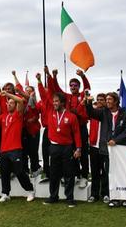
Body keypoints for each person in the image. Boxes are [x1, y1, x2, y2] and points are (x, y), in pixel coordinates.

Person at [40, 71, 82, 207]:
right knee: (54, 173)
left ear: (63, 102)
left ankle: (69, 198)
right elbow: (50, 91)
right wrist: (49, 76)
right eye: (53, 101)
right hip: (54, 147)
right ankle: (53, 197)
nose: (54, 103)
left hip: (67, 148)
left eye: (57, 101)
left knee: (69, 174)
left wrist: (79, 148)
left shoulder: (71, 116)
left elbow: (76, 133)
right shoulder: (50, 111)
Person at [85, 92, 126, 207]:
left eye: (109, 99)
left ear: (116, 101)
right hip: (106, 149)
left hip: (120, 149)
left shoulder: (125, 114)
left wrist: (116, 140)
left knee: (119, 173)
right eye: (106, 99)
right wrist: (89, 102)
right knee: (108, 173)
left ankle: (122, 197)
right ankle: (109, 196)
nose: (107, 101)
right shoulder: (103, 113)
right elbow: (91, 112)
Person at [49, 67, 90, 188]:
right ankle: (76, 175)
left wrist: (82, 76)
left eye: (75, 85)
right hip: (69, 129)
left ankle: (84, 176)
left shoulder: (83, 95)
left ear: (78, 86)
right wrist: (54, 77)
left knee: (82, 152)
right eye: (71, 85)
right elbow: (57, 89)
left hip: (81, 127)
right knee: (72, 153)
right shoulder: (66, 96)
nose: (73, 87)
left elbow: (87, 87)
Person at [0, 91, 35, 203]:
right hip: (4, 149)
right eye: (8, 103)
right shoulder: (3, 116)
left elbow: (20, 100)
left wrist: (7, 95)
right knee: (4, 172)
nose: (9, 104)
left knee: (19, 171)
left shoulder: (18, 114)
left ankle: (30, 190)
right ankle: (5, 193)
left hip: (15, 149)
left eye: (11, 103)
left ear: (15, 105)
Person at [87, 93, 110, 204]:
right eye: (98, 100)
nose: (100, 101)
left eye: (102, 100)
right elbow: (87, 112)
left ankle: (105, 193)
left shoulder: (108, 113)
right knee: (95, 172)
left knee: (105, 172)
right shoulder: (93, 113)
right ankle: (94, 194)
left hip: (104, 147)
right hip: (93, 146)